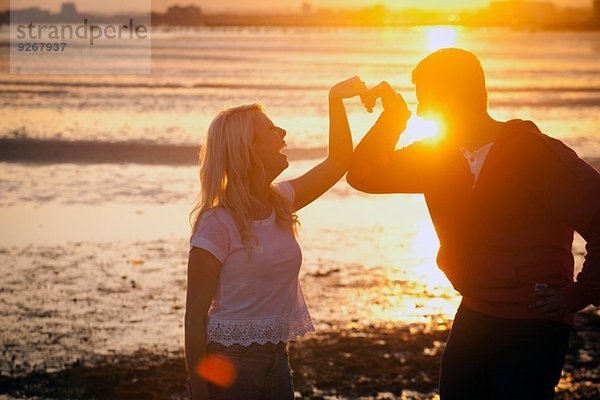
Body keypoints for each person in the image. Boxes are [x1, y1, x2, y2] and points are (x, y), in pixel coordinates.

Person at [347, 48, 600, 399]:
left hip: (535, 322)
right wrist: (394, 116)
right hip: (475, 311)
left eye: (425, 101)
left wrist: (580, 294)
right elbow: (363, 175)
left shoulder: (537, 154)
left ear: (454, 99)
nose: (421, 112)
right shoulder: (435, 156)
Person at [185, 76, 367, 400]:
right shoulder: (217, 223)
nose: (282, 133)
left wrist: (335, 99)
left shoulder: (280, 200)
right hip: (230, 364)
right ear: (247, 149)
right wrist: (200, 395)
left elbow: (339, 161)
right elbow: (195, 318)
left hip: (278, 360)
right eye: (270, 129)